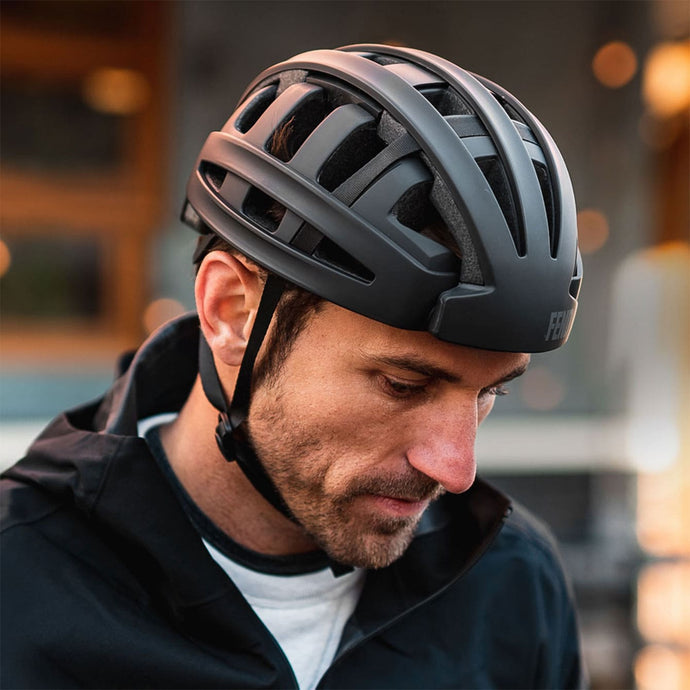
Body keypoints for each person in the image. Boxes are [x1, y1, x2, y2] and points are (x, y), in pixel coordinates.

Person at [1, 44, 585, 689]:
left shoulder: (511, 583)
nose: (455, 468)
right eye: (403, 384)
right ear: (232, 311)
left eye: (488, 394)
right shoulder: (17, 588)